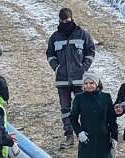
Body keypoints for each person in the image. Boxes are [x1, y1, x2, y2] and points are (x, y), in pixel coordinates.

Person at [46, 8, 96, 149]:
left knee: (84, 107)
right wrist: (56, 68)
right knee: (65, 109)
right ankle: (69, 136)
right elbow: (50, 55)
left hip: (80, 79)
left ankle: (86, 135)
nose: (65, 23)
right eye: (62, 21)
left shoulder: (83, 35)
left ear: (72, 19)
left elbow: (91, 51)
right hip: (62, 80)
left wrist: (84, 67)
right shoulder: (55, 37)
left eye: (67, 21)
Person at [69, 71, 118, 158]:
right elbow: (73, 118)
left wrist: (114, 137)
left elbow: (112, 119)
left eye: (91, 83)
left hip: (103, 141)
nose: (88, 86)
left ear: (97, 84)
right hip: (87, 141)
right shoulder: (79, 98)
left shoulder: (106, 97)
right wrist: (79, 132)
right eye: (86, 83)